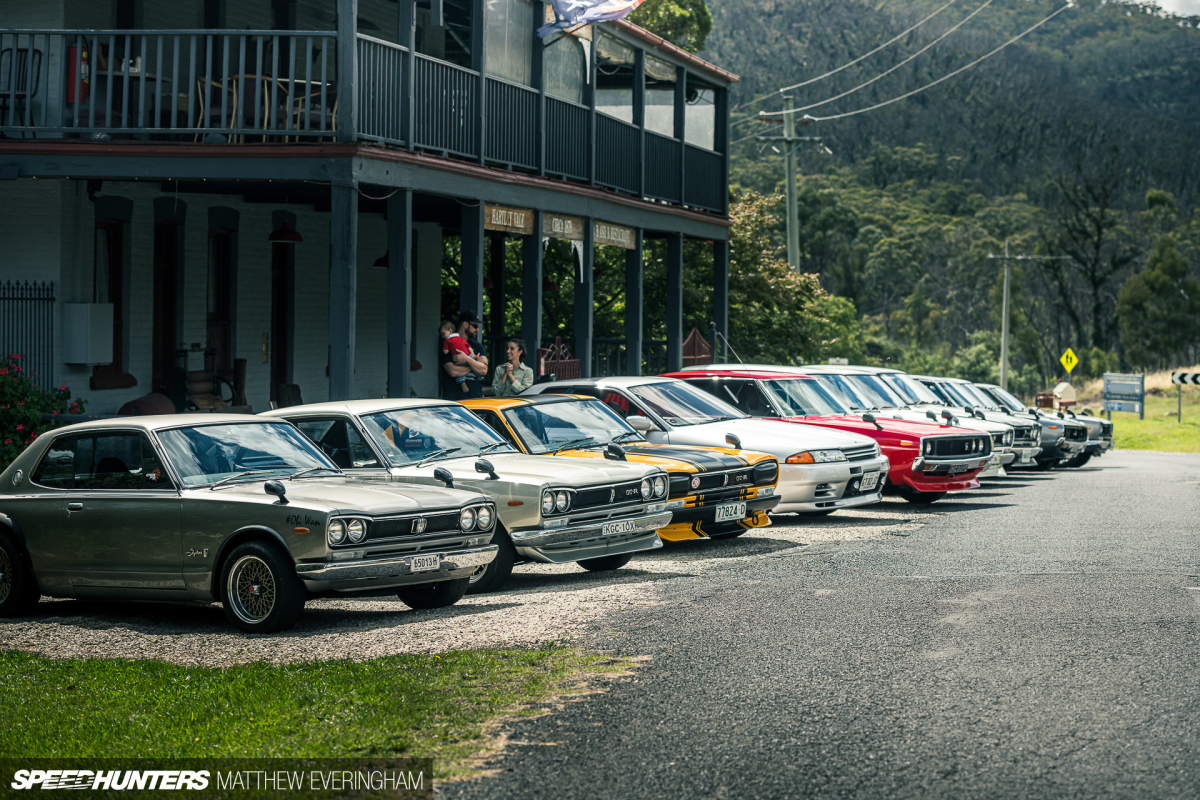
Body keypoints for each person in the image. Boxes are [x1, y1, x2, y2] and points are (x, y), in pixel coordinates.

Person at [440, 310, 488, 399]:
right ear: (465, 325)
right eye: (475, 326)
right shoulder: (447, 344)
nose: (477, 329)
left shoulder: (477, 346)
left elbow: (484, 370)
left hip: (476, 400)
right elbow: (453, 372)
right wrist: (475, 365)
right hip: (454, 401)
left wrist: (468, 359)